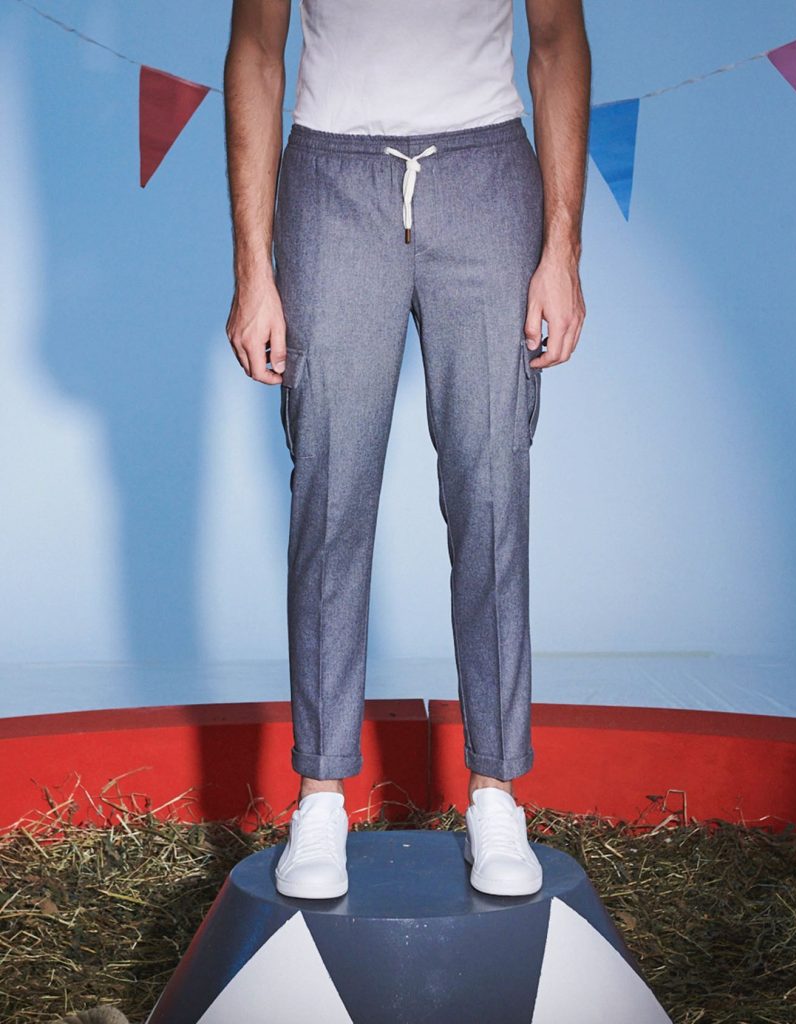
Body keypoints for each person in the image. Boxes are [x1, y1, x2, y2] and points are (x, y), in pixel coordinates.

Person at [223, 0, 590, 899]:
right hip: (330, 179)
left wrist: (562, 250)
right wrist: (253, 269)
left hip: (486, 177)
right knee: (329, 495)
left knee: (491, 490)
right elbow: (256, 53)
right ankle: (319, 795)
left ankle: (496, 791)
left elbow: (556, 44)